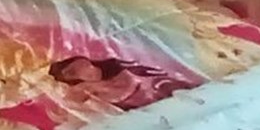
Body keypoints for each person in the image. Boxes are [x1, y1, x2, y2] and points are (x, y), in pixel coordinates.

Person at [48, 55, 195, 111]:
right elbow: (71, 104)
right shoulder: (87, 89)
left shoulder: (118, 64)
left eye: (79, 65)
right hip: (145, 110)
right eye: (72, 73)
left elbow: (150, 71)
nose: (84, 70)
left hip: (163, 92)